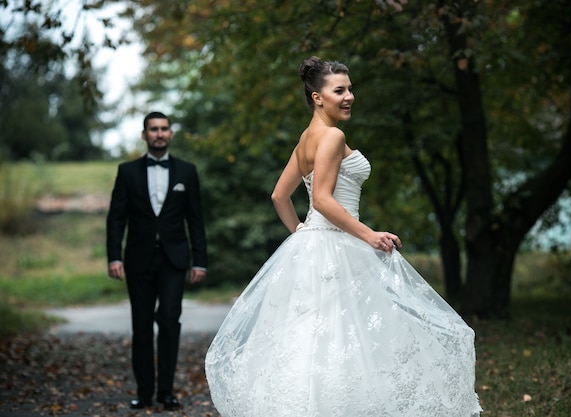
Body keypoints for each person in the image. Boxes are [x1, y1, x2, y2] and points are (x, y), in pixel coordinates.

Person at [205, 57, 482, 416]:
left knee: (313, 336)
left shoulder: (306, 139)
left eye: (350, 89)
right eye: (340, 90)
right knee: (346, 335)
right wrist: (369, 235)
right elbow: (321, 199)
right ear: (318, 97)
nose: (349, 96)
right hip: (338, 245)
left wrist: (301, 233)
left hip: (311, 247)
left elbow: (279, 196)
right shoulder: (333, 136)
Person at [107, 111, 208, 411]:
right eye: (154, 129)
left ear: (170, 134)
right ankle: (144, 392)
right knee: (140, 327)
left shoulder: (187, 172)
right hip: (137, 261)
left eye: (164, 129)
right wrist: (114, 256)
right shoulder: (127, 171)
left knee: (168, 322)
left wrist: (199, 261)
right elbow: (116, 219)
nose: (159, 134)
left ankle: (166, 391)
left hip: (173, 261)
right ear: (144, 135)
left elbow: (196, 220)